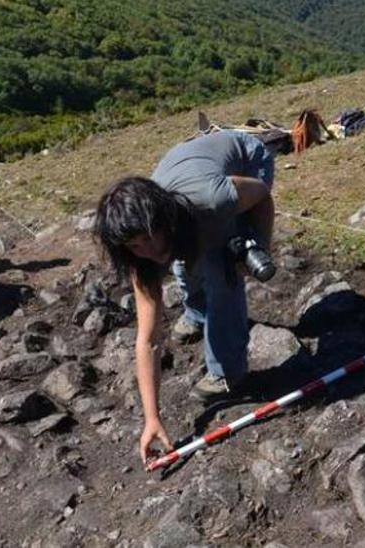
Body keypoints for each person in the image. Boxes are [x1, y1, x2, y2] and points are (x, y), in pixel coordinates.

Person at [93, 131, 276, 464]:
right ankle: (196, 315)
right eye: (135, 245)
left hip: (245, 160)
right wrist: (152, 418)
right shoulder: (140, 252)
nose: (147, 250)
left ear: (163, 220)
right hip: (189, 168)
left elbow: (262, 195)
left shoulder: (213, 200)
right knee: (182, 262)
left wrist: (260, 244)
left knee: (222, 272)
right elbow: (147, 340)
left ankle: (227, 370)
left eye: (148, 238)